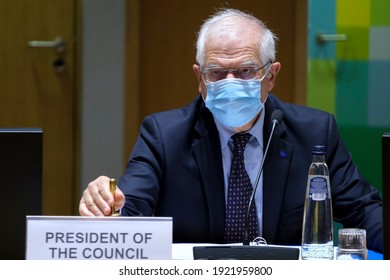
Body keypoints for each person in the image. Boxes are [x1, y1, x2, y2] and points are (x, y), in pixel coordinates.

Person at [79, 8, 383, 253]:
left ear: (271, 75)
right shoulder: (164, 135)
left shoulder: (315, 132)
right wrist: (109, 209)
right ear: (200, 78)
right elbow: (130, 211)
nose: (230, 82)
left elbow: (366, 212)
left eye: (245, 71)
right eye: (216, 72)